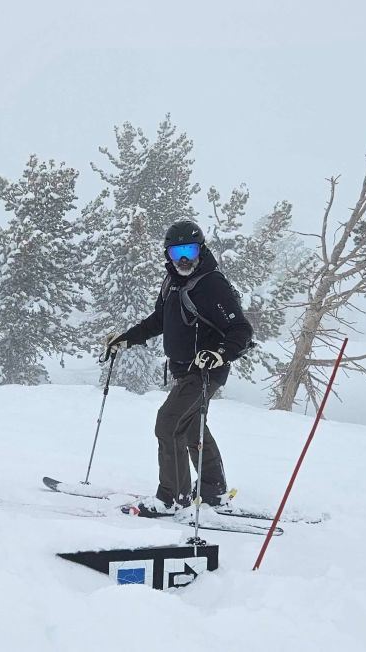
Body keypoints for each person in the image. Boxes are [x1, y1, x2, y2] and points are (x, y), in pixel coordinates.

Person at [105, 219, 254, 516]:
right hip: (183, 370)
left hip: (205, 371)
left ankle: (172, 498)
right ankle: (213, 490)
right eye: (176, 252)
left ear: (201, 249)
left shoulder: (212, 284)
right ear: (168, 255)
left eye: (189, 250)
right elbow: (159, 320)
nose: (183, 259)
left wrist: (219, 354)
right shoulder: (172, 282)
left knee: (169, 422)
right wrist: (126, 339)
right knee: (190, 427)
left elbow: (241, 330)